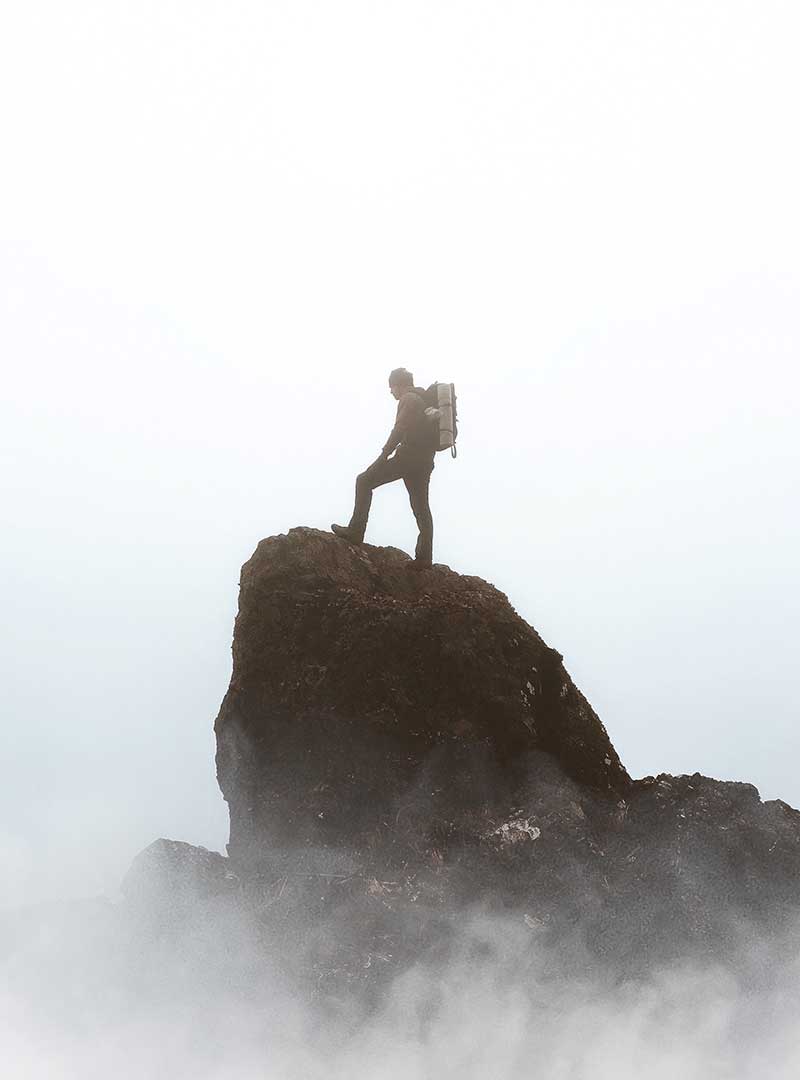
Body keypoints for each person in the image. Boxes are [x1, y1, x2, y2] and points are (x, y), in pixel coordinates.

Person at [332, 368, 436, 569]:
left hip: (408, 457)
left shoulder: (409, 399)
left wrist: (383, 456)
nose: (391, 392)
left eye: (392, 387)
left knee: (363, 481)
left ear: (399, 385)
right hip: (424, 461)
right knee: (421, 507)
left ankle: (356, 531)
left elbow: (399, 429)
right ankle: (424, 558)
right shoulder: (423, 399)